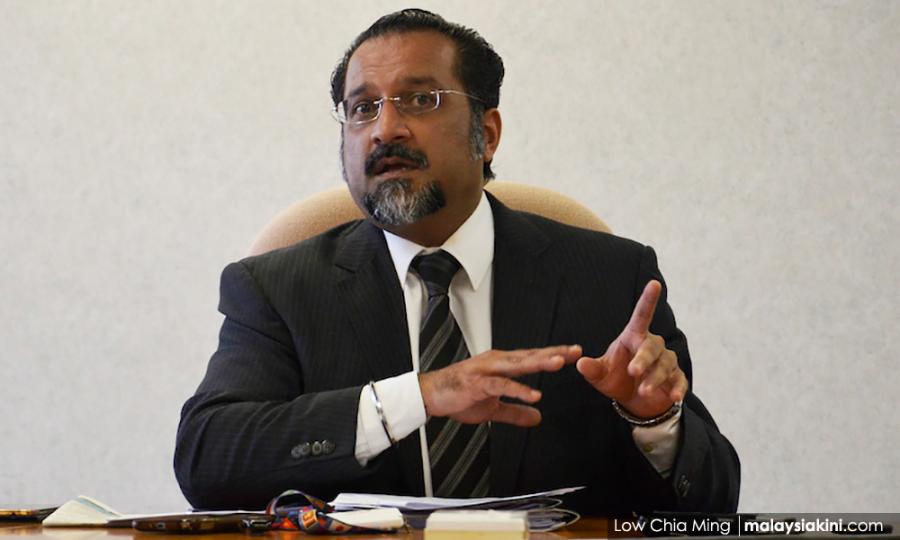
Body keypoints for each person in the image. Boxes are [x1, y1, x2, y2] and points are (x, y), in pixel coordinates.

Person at [175, 9, 739, 514]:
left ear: (486, 135)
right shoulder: (278, 289)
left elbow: (715, 502)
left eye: (420, 100)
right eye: (362, 108)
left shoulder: (611, 279)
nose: (385, 129)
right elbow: (207, 458)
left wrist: (654, 423)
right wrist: (417, 397)